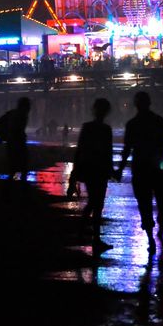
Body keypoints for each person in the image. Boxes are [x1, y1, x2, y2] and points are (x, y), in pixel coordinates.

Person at [115, 91, 163, 255]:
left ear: (136, 105)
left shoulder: (132, 124)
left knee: (145, 205)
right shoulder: (159, 121)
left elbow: (127, 149)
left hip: (141, 168)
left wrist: (120, 170)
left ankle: (151, 237)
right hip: (159, 168)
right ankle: (159, 234)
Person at [72, 98, 114, 253]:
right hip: (100, 170)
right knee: (97, 203)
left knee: (93, 202)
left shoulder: (87, 127)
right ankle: (92, 237)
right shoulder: (106, 129)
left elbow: (79, 150)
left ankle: (84, 233)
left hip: (90, 169)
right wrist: (113, 170)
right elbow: (108, 152)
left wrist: (74, 173)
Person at [5, 97, 31, 182]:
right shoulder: (21, 115)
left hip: (12, 141)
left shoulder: (13, 113)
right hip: (18, 141)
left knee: (13, 165)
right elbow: (18, 129)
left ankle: (11, 186)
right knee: (23, 164)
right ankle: (21, 186)